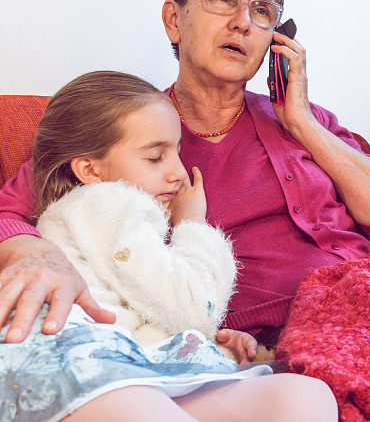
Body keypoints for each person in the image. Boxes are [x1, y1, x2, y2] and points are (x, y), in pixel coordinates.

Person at [0, 0, 370, 350]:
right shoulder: (131, 129)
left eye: (262, 11)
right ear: (173, 20)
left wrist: (301, 121)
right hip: (270, 337)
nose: (243, 22)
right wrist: (36, 252)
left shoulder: (306, 120)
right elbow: (11, 209)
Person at [0, 70, 337, 421]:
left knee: (301, 395)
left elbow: (142, 311)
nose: (178, 172)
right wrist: (192, 224)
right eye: (155, 158)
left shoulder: (102, 217)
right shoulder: (110, 204)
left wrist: (204, 348)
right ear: (89, 169)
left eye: (177, 152)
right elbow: (193, 307)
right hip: (65, 357)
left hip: (130, 360)